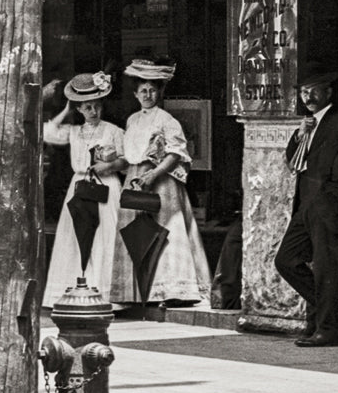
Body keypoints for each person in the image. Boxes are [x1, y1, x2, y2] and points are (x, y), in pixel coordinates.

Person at [274, 63, 338, 347]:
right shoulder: (308, 123)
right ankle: (328, 310)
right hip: (305, 206)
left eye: (313, 91)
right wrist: (301, 135)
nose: (308, 97)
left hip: (326, 206)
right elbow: (291, 161)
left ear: (328, 92)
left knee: (327, 268)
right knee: (286, 261)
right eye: (303, 92)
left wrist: (331, 177)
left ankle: (328, 327)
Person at [110, 58, 211, 307]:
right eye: (143, 90)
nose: (148, 94)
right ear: (135, 94)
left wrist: (153, 175)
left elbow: (175, 153)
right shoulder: (133, 120)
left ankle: (172, 291)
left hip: (161, 182)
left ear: (160, 91)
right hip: (135, 179)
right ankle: (134, 293)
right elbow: (129, 153)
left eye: (152, 90)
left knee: (166, 231)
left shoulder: (167, 120)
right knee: (134, 232)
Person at [42, 71, 127, 308]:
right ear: (80, 109)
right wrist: (67, 110)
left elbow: (126, 160)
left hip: (106, 187)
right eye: (87, 107)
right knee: (75, 237)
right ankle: (75, 292)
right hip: (80, 185)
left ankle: (106, 294)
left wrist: (108, 166)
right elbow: (46, 132)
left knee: (105, 237)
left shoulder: (113, 131)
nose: (93, 111)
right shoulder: (74, 132)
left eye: (96, 106)